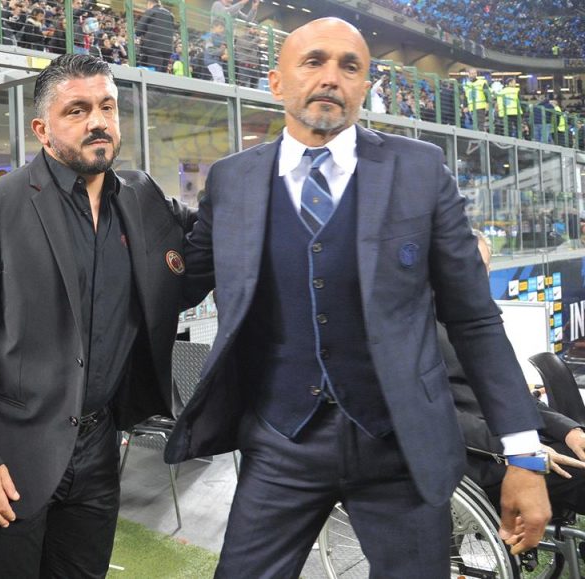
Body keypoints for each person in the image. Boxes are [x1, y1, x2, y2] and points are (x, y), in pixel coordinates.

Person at [166, 17, 550, 578]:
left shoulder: (420, 170)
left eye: (349, 67)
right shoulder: (231, 180)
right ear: (276, 82)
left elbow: (475, 320)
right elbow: (179, 281)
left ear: (364, 87)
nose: (331, 77)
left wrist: (524, 454)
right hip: (279, 442)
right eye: (313, 61)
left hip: (400, 448)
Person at [0, 53, 195, 578]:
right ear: (42, 130)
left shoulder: (140, 197)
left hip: (99, 450)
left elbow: (201, 246)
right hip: (9, 456)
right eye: (77, 110)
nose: (98, 121)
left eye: (107, 107)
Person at [446, 233, 585, 514]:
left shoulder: (481, 322)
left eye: (484, 267)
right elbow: (442, 418)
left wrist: (569, 430)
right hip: (480, 462)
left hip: (519, 443)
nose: (478, 276)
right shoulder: (422, 332)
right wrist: (521, 449)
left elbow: (517, 398)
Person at [135, 0, 175, 73]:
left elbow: (138, 31)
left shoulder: (151, 11)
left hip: (152, 48)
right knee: (162, 74)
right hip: (167, 49)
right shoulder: (170, 14)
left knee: (152, 73)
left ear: (149, 3)